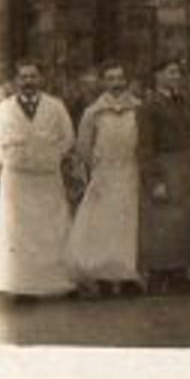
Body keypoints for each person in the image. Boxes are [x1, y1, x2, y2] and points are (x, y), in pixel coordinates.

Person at [0, 61, 76, 299]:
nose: (28, 81)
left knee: (52, 228)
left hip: (47, 177)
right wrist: (15, 158)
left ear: (41, 79)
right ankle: (22, 286)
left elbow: (67, 138)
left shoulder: (56, 107)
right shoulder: (2, 111)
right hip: (17, 179)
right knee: (18, 231)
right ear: (16, 81)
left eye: (33, 76)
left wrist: (49, 157)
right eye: (23, 77)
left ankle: (57, 281)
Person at [67, 62, 143, 297]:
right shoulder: (93, 112)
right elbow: (83, 147)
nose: (116, 84)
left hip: (131, 171)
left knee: (128, 225)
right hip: (104, 174)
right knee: (102, 225)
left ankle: (127, 276)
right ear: (103, 82)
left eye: (120, 78)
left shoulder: (139, 108)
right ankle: (103, 276)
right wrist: (92, 173)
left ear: (127, 81)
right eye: (110, 79)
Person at [136, 58, 190, 294]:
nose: (176, 77)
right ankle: (157, 276)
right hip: (164, 169)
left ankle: (179, 274)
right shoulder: (149, 107)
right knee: (161, 224)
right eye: (171, 72)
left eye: (178, 73)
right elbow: (145, 146)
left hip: (185, 168)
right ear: (158, 76)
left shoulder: (185, 103)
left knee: (183, 223)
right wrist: (155, 180)